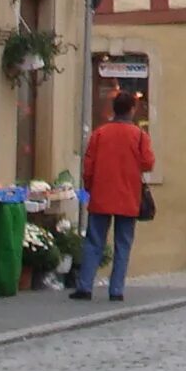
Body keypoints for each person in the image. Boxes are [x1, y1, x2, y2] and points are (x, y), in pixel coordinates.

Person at [72, 90, 154, 301]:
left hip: (101, 194)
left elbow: (88, 166)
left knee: (94, 241)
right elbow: (148, 163)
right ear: (132, 110)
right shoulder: (139, 136)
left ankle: (85, 286)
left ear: (114, 109)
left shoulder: (100, 133)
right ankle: (116, 290)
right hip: (128, 195)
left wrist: (90, 187)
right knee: (123, 243)